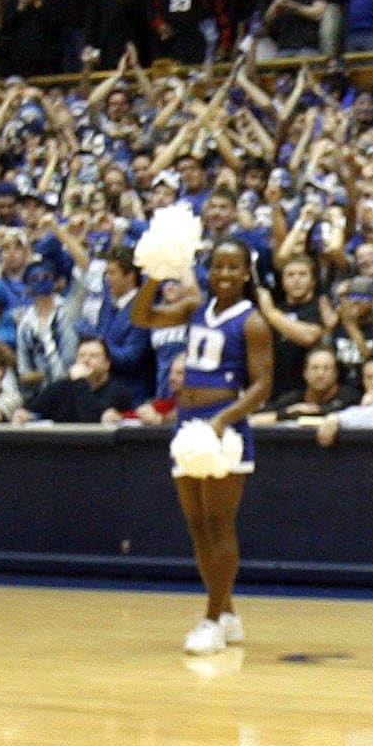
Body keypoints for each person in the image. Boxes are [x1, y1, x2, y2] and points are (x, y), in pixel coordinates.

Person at [132, 245, 273, 656]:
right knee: (196, 523)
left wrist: (224, 420)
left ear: (246, 272)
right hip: (187, 425)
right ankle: (227, 612)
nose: (224, 273)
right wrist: (157, 275)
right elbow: (142, 317)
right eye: (217, 266)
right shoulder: (194, 307)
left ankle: (211, 619)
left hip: (222, 426)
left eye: (234, 266)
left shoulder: (253, 322)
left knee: (219, 522)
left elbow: (262, 386)